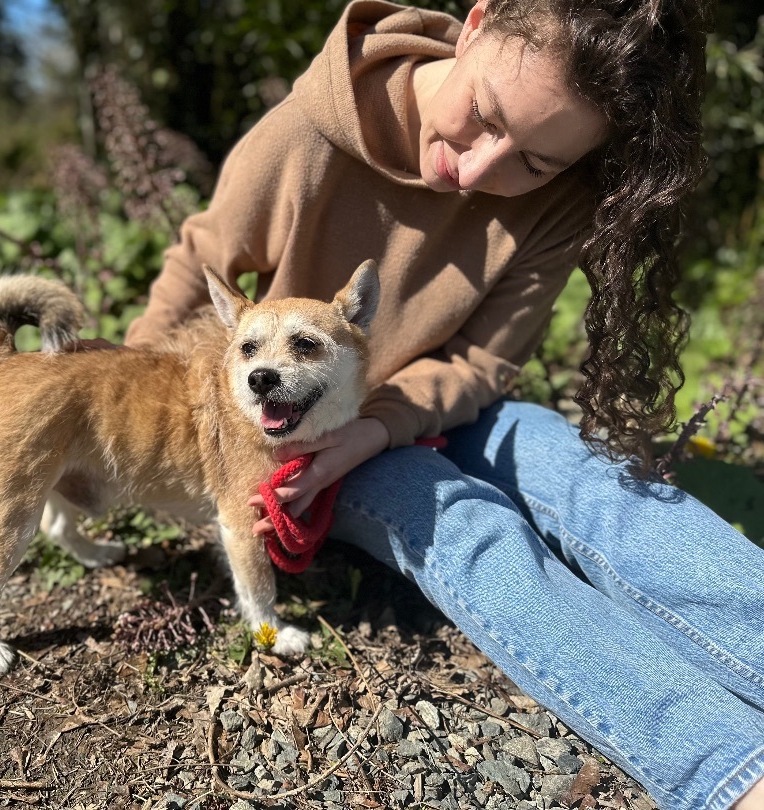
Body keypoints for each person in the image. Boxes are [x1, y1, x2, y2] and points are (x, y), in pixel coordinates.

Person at [120, 0, 764, 807]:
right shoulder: (307, 135)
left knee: (595, 483)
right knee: (466, 528)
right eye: (483, 115)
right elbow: (201, 259)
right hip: (303, 437)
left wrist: (383, 424)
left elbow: (483, 359)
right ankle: (733, 772)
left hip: (438, 411)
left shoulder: (564, 201)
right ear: (477, 22)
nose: (478, 168)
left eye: (532, 164)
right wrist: (126, 405)